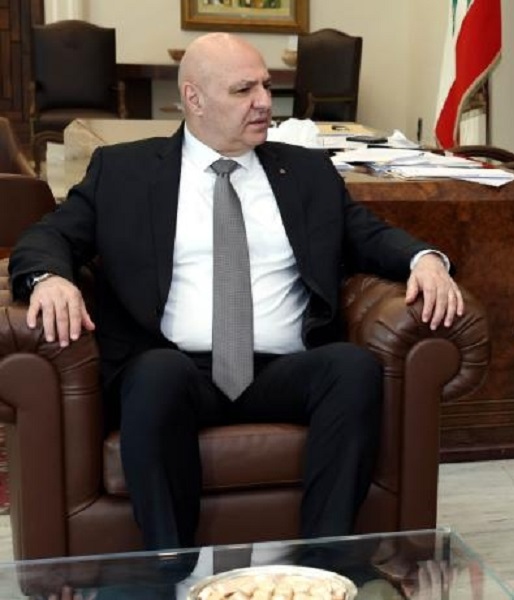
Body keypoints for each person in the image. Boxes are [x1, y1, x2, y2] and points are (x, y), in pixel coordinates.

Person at [9, 32, 464, 552]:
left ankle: (323, 564)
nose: (264, 102)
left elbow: (369, 236)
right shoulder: (125, 171)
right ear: (194, 98)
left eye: (266, 86)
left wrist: (424, 260)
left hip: (282, 369)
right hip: (174, 368)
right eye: (244, 89)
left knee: (352, 368)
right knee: (156, 374)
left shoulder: (306, 172)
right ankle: (168, 565)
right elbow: (46, 236)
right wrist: (50, 277)